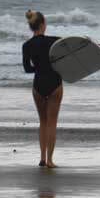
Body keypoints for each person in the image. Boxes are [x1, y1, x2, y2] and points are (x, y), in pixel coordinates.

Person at [22, 10, 63, 167]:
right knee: (52, 122)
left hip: (38, 84)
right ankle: (50, 160)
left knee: (43, 122)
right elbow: (68, 56)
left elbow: (27, 68)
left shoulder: (27, 46)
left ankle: (42, 158)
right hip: (54, 84)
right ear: (42, 24)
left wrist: (39, 68)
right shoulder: (55, 41)